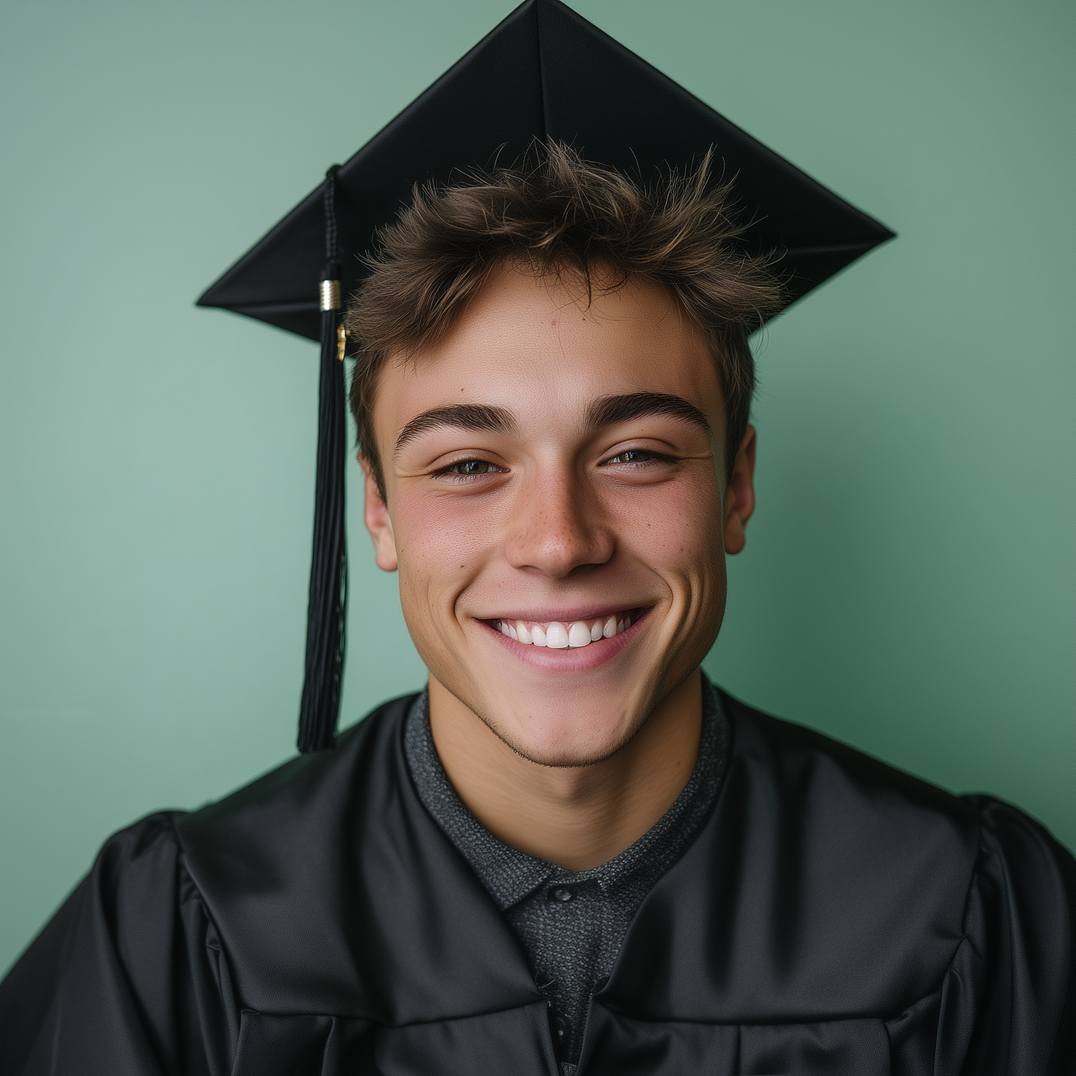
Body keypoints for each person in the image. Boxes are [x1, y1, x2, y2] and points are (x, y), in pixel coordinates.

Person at [2, 4, 1073, 1075]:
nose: (558, 542)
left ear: (736, 485)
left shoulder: (966, 915)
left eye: (636, 454)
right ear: (375, 507)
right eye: (467, 464)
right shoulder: (179, 935)